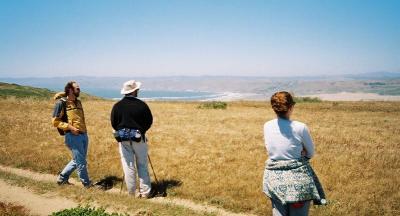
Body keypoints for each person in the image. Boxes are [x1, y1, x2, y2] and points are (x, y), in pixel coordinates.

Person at [263, 91, 326, 216]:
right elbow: (310, 153)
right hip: (298, 183)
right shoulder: (300, 127)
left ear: (274, 108)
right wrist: (302, 153)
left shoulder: (267, 126)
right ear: (291, 107)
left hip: (274, 181)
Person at [111, 80, 153, 198]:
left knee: (128, 165)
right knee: (142, 164)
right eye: (137, 89)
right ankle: (145, 192)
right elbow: (149, 121)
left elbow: (114, 123)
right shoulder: (142, 105)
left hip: (123, 139)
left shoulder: (117, 106)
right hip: (139, 138)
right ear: (134, 91)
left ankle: (132, 193)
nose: (138, 91)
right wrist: (142, 131)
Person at [52, 81, 91, 187]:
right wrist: (70, 127)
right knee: (81, 162)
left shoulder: (79, 102)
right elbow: (55, 122)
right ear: (70, 90)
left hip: (84, 135)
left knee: (77, 160)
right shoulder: (61, 103)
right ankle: (87, 184)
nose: (79, 90)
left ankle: (62, 178)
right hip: (73, 136)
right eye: (77, 88)